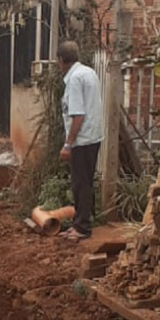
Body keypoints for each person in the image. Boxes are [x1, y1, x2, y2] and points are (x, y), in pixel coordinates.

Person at [57, 41, 104, 242]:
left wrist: (68, 144)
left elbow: (78, 115)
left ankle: (82, 227)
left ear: (61, 60)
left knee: (80, 183)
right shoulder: (89, 72)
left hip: (82, 139)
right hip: (94, 136)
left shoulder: (75, 79)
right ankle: (81, 221)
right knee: (85, 181)